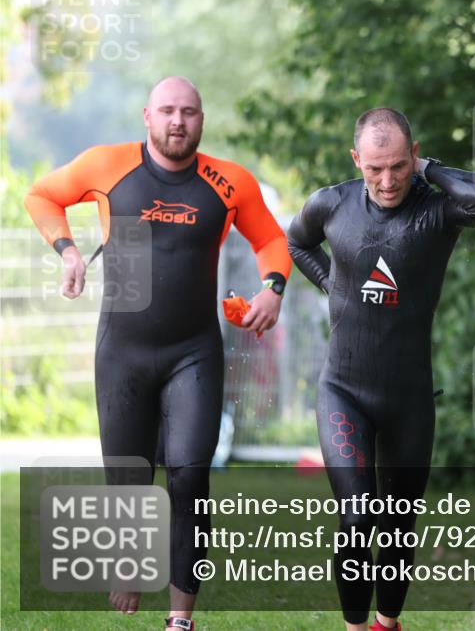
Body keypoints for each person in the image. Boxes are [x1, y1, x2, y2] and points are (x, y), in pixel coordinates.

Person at [24, 76, 292, 631]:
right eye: (168, 111)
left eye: (189, 112)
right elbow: (41, 195)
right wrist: (68, 252)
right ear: (147, 116)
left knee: (190, 477)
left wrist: (273, 288)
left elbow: (272, 240)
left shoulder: (230, 182)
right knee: (129, 479)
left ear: (201, 119)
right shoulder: (106, 165)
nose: (178, 122)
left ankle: (180, 619)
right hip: (122, 352)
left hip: (193, 352)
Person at [286, 108, 475, 631]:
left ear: (415, 155)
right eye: (375, 168)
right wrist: (333, 286)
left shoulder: (436, 209)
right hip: (344, 391)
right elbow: (296, 242)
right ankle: (356, 628)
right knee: (359, 519)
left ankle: (387, 623)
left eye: (399, 166)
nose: (387, 181)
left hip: (409, 397)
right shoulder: (332, 203)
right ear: (356, 159)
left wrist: (430, 171)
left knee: (399, 523)